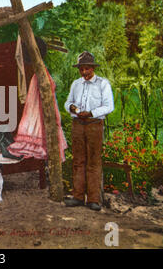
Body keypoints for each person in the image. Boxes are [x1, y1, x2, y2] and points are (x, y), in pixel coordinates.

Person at [64, 51, 114, 211]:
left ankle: (93, 199)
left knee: (93, 161)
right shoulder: (76, 84)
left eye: (87, 69)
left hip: (94, 124)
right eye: (81, 69)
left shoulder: (102, 84)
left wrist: (91, 113)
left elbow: (109, 106)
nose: (84, 72)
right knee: (78, 160)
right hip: (78, 123)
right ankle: (78, 196)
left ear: (93, 68)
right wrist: (73, 108)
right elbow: (68, 103)